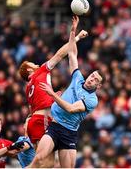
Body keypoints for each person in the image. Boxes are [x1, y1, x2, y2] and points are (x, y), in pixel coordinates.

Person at [30, 16, 106, 168]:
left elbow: (71, 109)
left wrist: (52, 94)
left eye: (96, 80)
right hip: (55, 126)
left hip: (69, 133)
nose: (91, 79)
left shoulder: (92, 100)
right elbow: (72, 54)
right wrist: (73, 31)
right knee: (39, 159)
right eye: (92, 75)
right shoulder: (78, 78)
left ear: (98, 86)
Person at [19, 28, 88, 167]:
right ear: (28, 70)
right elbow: (60, 54)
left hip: (35, 119)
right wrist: (77, 38)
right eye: (33, 64)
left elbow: (34, 105)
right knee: (44, 163)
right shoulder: (40, 72)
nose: (36, 64)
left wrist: (53, 98)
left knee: (47, 163)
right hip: (43, 119)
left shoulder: (28, 87)